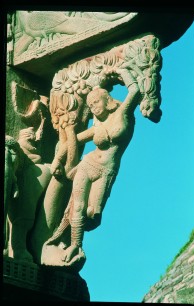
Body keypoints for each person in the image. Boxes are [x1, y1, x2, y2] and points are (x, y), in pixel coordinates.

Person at [43, 68, 142, 267]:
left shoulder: (122, 113)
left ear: (107, 100)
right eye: (90, 105)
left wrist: (122, 72)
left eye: (96, 102)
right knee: (77, 206)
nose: (93, 107)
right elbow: (76, 140)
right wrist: (56, 160)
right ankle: (75, 245)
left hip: (106, 170)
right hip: (88, 165)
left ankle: (73, 236)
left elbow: (135, 91)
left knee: (92, 213)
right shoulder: (97, 124)